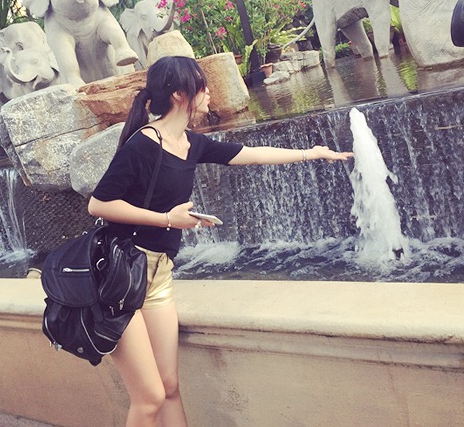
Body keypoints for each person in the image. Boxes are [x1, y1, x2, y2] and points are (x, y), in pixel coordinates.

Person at [88, 55, 353, 427]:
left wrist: (312, 153)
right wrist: (168, 219)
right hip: (120, 276)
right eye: (202, 84)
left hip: (158, 275)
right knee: (149, 398)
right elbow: (99, 204)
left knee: (169, 385)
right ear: (180, 94)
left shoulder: (191, 143)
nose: (209, 91)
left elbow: (251, 155)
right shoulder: (143, 144)